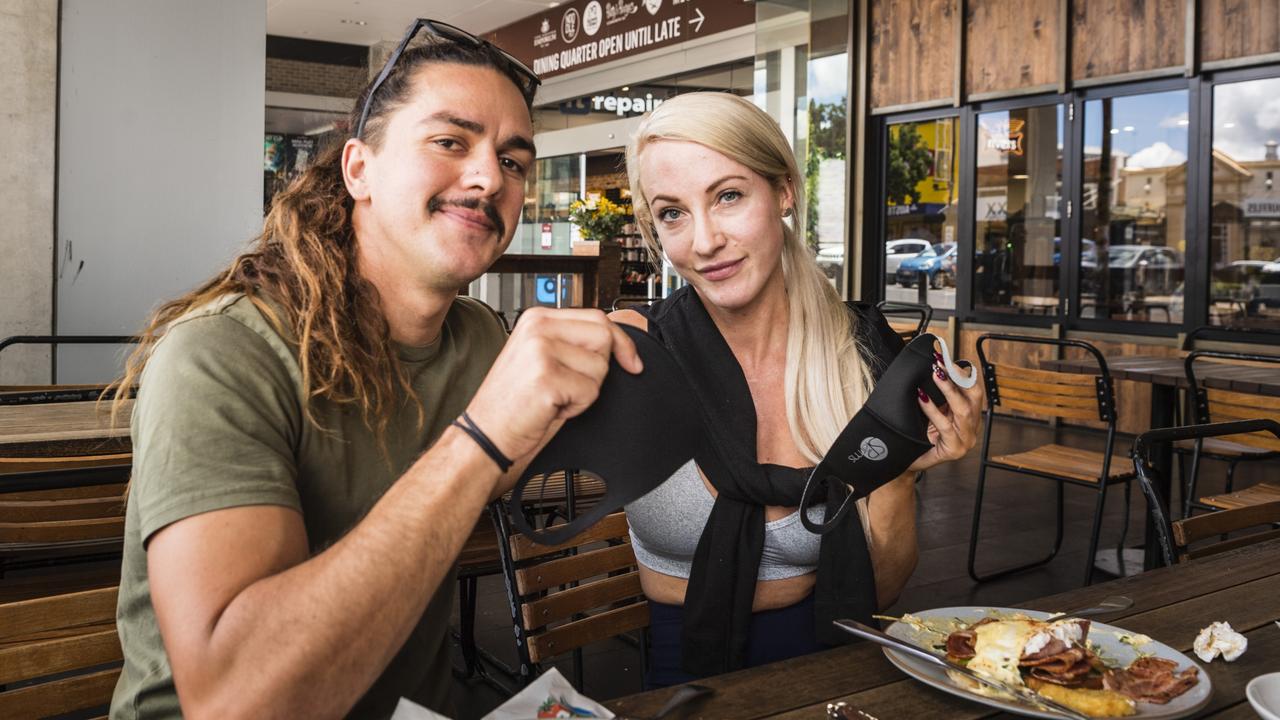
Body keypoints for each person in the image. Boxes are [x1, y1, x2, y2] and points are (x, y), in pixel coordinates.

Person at [108, 20, 640, 719]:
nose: (489, 177)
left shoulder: (477, 336)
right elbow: (239, 702)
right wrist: (480, 437)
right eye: (451, 142)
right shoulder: (219, 356)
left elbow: (550, 465)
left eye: (513, 162)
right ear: (359, 168)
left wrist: (641, 361)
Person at [610, 92, 985, 687]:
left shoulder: (866, 360)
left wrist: (901, 474)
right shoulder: (632, 356)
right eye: (673, 213)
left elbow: (880, 591)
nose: (703, 241)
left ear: (783, 191)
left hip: (836, 667)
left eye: (727, 195)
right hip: (681, 676)